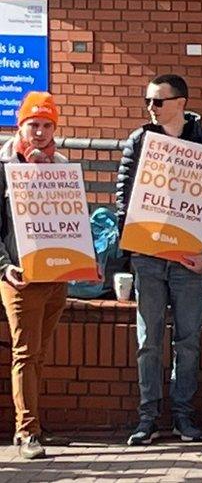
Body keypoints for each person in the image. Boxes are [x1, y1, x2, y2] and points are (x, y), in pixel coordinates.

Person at [116, 74, 202, 445]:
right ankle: (147, 419)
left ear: (181, 103)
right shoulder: (140, 140)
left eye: (158, 101)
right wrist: (131, 244)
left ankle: (184, 418)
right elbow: (124, 195)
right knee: (148, 340)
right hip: (148, 256)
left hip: (188, 260)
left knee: (188, 340)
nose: (151, 108)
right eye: (148, 101)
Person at [0, 92, 71, 459]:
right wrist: (3, 265)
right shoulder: (2, 164)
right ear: (20, 124)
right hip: (19, 278)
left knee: (38, 355)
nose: (40, 132)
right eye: (33, 124)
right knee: (25, 353)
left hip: (55, 277)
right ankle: (26, 433)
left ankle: (35, 428)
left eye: (47, 125)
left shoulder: (60, 163)